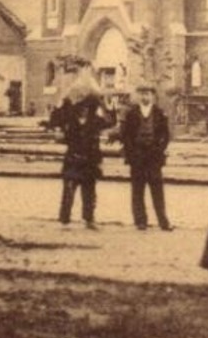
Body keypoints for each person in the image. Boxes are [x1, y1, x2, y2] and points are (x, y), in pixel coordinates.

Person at [119, 81, 173, 231]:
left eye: (148, 94)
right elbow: (126, 136)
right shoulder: (132, 113)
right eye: (142, 94)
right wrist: (131, 153)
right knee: (138, 189)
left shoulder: (159, 113)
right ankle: (140, 221)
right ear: (138, 96)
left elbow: (165, 135)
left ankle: (163, 221)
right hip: (137, 157)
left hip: (154, 157)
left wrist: (159, 150)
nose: (145, 97)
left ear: (153, 96)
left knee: (157, 189)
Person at [58, 84, 111, 229]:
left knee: (89, 192)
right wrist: (63, 99)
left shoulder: (95, 121)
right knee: (68, 191)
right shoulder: (70, 119)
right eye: (81, 107)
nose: (84, 110)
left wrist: (105, 104)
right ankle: (65, 220)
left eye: (87, 107)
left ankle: (89, 219)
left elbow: (111, 121)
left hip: (90, 161)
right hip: (73, 159)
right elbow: (56, 119)